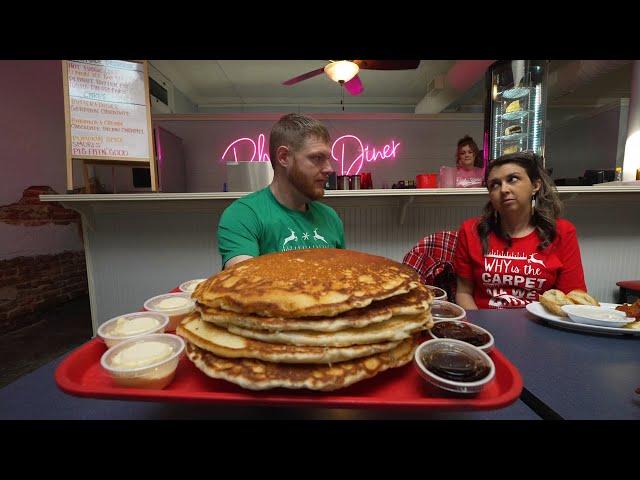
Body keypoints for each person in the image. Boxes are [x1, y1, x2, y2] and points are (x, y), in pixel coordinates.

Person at [454, 151, 587, 310]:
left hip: (540, 328)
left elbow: (572, 300)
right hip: (485, 328)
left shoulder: (562, 232)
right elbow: (464, 293)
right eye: (495, 184)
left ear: (535, 186)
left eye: (513, 179)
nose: (504, 189)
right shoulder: (471, 231)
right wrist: (478, 330)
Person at [217, 113, 345, 269]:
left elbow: (342, 279)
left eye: (328, 159)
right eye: (317, 158)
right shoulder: (243, 215)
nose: (329, 169)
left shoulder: (330, 217)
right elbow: (243, 283)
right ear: (284, 157)